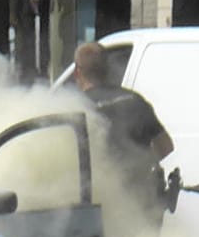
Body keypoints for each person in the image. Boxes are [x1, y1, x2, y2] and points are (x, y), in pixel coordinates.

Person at [72, 40, 175, 227]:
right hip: (142, 200)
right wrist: (139, 164)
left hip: (99, 206)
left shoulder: (75, 107)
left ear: (77, 72)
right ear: (107, 69)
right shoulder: (134, 100)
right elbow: (166, 146)